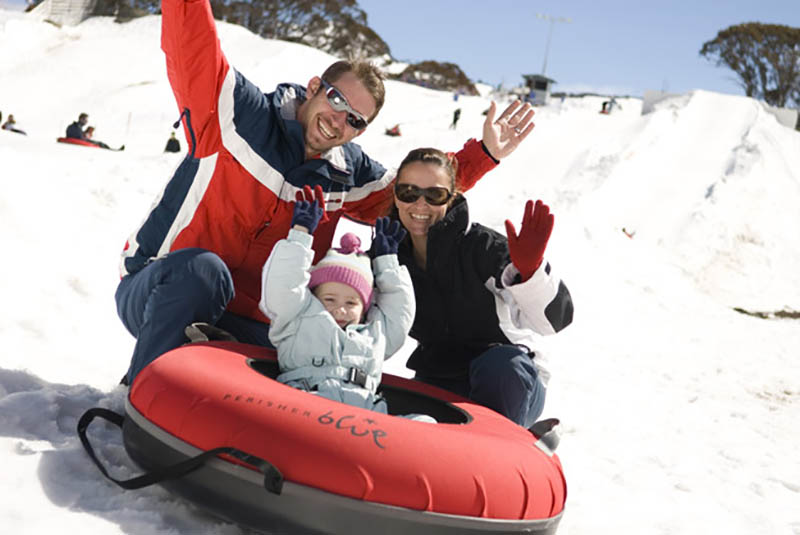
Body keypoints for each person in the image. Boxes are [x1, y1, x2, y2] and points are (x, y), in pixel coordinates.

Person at [116, 0, 535, 385]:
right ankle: (140, 392)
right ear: (314, 86)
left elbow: (415, 189)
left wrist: (483, 154)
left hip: (256, 326)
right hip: (164, 290)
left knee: (316, 339)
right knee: (203, 270)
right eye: (336, 100)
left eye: (355, 120)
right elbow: (192, 45)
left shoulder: (347, 176)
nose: (338, 121)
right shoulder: (236, 115)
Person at [386, 147, 574, 428]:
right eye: (409, 192)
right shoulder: (389, 254)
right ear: (396, 196)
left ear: (451, 197)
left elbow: (554, 320)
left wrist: (530, 272)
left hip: (508, 380)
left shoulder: (482, 248)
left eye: (434, 195)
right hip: (440, 379)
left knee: (500, 365)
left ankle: (504, 442)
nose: (420, 204)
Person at [260, 186, 422, 418]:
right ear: (314, 296)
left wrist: (387, 262)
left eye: (351, 303)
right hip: (305, 402)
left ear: (365, 307)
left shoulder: (376, 333)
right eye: (329, 299)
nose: (340, 309)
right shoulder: (298, 317)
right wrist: (300, 235)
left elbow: (400, 311)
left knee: (424, 421)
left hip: (365, 412)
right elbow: (283, 284)